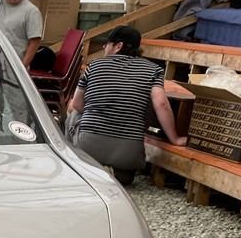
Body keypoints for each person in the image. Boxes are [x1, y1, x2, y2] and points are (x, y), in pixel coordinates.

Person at [68, 26, 187, 185]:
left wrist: (96, 112)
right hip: (129, 152)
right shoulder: (154, 70)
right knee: (125, 175)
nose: (104, 47)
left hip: (89, 147)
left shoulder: (94, 65)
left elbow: (77, 104)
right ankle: (119, 174)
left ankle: (76, 164)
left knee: (73, 113)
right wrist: (175, 138)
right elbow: (161, 104)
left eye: (107, 44)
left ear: (118, 46)